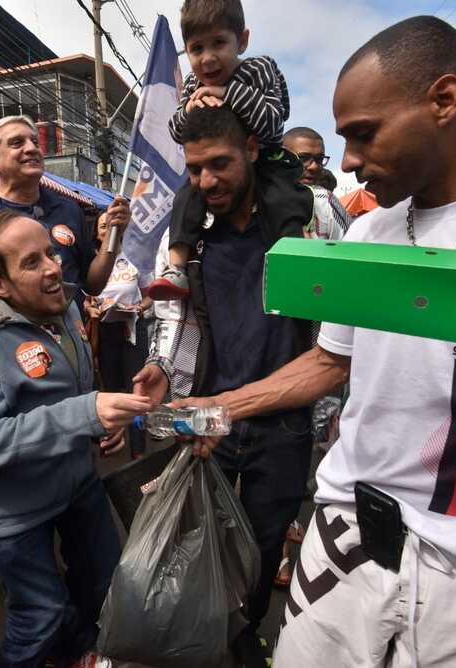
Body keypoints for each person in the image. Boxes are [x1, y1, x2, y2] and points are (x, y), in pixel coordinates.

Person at [168, 16, 456, 667]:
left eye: (363, 134)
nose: (346, 160)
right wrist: (221, 407)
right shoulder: (368, 232)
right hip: (344, 548)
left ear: (443, 100)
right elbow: (330, 362)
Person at [133, 104, 314, 668]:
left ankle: (244, 633)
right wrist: (163, 367)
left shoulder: (306, 223)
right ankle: (200, 632)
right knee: (198, 535)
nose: (206, 181)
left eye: (219, 164)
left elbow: (338, 338)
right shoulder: (194, 234)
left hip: (284, 424)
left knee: (261, 547)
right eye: (194, 169)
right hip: (209, 419)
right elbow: (180, 317)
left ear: (253, 152)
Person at [0, 209, 151, 667]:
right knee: (40, 617)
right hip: (15, 511)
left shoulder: (66, 305)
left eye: (51, 253)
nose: (53, 267)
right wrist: (82, 414)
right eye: (31, 262)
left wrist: (102, 423)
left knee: (103, 585)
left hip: (77, 485)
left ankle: (83, 652)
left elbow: (73, 395)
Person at [0, 114, 131, 417]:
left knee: (76, 432)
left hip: (69, 355)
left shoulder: (68, 208)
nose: (31, 148)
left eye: (34, 142)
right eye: (16, 143)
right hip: (7, 360)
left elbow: (93, 284)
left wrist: (113, 240)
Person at [147, 0, 313, 301]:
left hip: (267, 163)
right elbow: (176, 129)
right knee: (186, 198)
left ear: (243, 40)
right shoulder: (193, 84)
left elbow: (274, 123)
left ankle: (296, 264)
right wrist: (190, 112)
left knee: (284, 200)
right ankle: (176, 267)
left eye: (219, 43)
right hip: (230, 172)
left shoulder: (259, 70)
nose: (208, 59)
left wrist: (227, 93)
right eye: (197, 49)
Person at [86, 212, 153, 459]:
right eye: (103, 226)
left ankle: (138, 450)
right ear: (96, 232)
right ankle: (112, 443)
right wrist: (89, 307)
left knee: (137, 390)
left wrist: (140, 307)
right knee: (112, 390)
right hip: (104, 332)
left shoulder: (136, 258)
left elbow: (149, 294)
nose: (108, 229)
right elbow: (86, 297)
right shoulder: (92, 263)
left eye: (113, 225)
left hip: (134, 330)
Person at [282, 126, 351, 236]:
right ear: (282, 157)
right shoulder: (257, 197)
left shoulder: (325, 201)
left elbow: (350, 248)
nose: (314, 166)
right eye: (303, 158)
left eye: (319, 159)